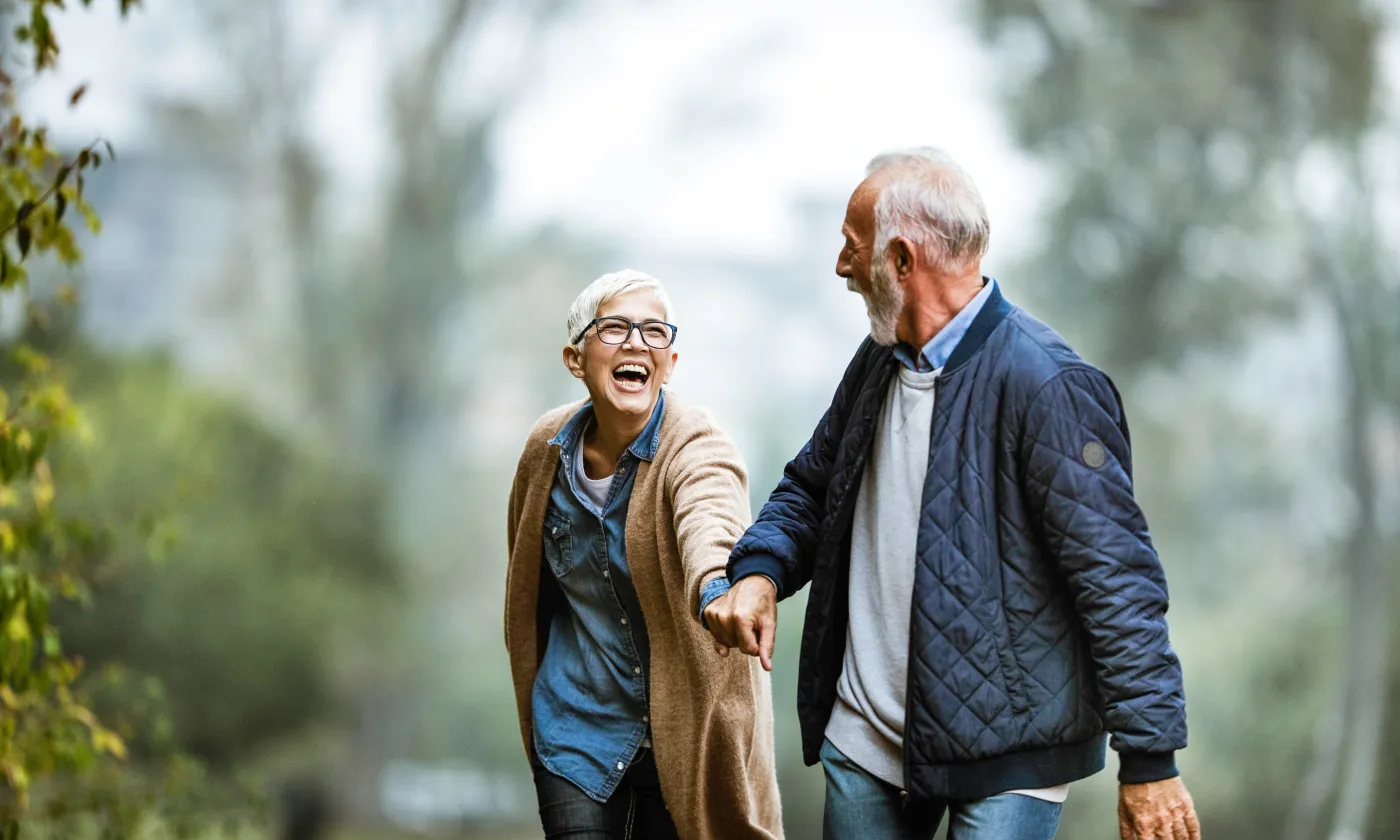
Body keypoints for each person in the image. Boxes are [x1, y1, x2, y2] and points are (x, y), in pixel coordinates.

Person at [702, 149, 1200, 840]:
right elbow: (814, 487)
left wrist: (1150, 761)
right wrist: (760, 571)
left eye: (852, 249)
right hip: (866, 740)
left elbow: (1116, 581)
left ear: (902, 260)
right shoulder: (878, 358)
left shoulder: (1049, 386)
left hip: (1010, 757)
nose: (842, 268)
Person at [504, 270, 783, 840]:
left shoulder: (698, 445)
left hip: (682, 738)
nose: (637, 343)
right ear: (575, 358)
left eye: (654, 331)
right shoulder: (546, 450)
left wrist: (717, 590)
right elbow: (526, 584)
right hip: (575, 728)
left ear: (670, 362)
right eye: (615, 328)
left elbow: (711, 521)